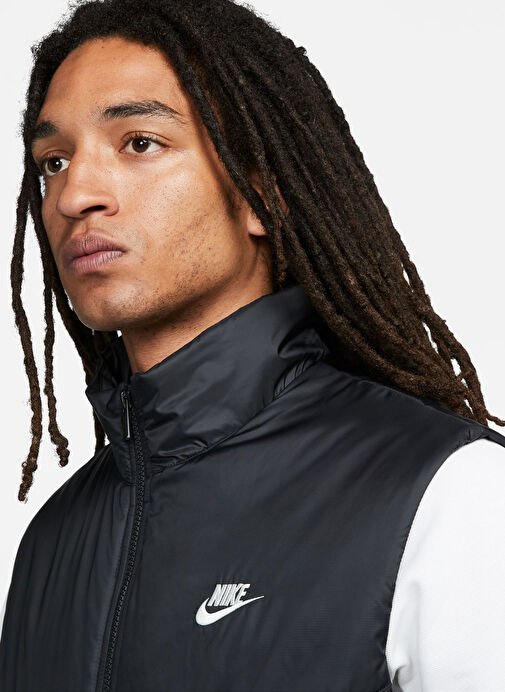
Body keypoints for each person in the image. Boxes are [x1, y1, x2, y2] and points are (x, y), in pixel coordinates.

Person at [1, 1, 504, 690]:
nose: (73, 195)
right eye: (54, 161)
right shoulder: (51, 543)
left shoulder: (446, 494)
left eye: (139, 143)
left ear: (262, 192)